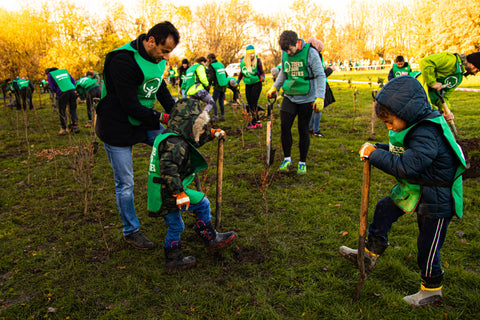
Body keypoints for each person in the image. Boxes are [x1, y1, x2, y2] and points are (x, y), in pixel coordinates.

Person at [339, 76, 467, 306]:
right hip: (419, 187)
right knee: (384, 209)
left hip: (438, 197)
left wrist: (374, 155)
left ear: (406, 112)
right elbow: (404, 151)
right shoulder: (414, 123)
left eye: (390, 122)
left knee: (427, 247)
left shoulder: (427, 131)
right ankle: (369, 255)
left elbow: (407, 166)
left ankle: (431, 291)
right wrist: (379, 148)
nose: (388, 127)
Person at [95, 21, 179, 250]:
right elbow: (130, 105)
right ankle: (131, 231)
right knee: (125, 182)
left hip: (143, 121)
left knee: (173, 148)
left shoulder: (156, 59)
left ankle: (172, 209)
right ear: (151, 40)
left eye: (169, 53)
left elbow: (158, 87)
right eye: (164, 51)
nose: (165, 57)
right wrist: (162, 118)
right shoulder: (123, 60)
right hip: (117, 125)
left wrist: (176, 111)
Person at [147, 98, 237, 274]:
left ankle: (174, 257)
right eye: (199, 126)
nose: (200, 130)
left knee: (176, 225)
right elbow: (169, 170)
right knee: (200, 205)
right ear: (189, 124)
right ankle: (209, 238)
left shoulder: (171, 136)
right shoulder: (175, 144)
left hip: (162, 190)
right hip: (169, 191)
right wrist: (180, 193)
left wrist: (211, 133)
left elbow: (193, 138)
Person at [266, 30, 326, 175]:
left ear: (296, 43)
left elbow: (320, 75)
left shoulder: (310, 53)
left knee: (303, 129)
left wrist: (320, 97)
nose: (288, 52)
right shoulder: (285, 53)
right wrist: (275, 87)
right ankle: (287, 159)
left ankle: (302, 162)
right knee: (285, 127)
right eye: (285, 50)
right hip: (289, 95)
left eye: (290, 49)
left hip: (307, 97)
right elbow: (284, 72)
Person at [417, 52, 480, 122]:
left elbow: (444, 95)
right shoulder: (450, 59)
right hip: (417, 93)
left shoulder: (459, 78)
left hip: (428, 104)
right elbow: (426, 61)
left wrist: (446, 111)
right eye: (476, 70)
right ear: (472, 64)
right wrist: (433, 83)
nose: (475, 74)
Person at [307, 38, 335, 138]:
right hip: (318, 84)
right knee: (317, 108)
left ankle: (310, 128)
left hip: (311, 85)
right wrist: (330, 70)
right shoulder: (315, 55)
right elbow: (321, 74)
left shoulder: (307, 54)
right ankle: (316, 130)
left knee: (313, 107)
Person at [236, 45, 265, 129]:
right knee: (250, 103)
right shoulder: (243, 61)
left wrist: (262, 77)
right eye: (250, 54)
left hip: (256, 83)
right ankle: (257, 121)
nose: (252, 55)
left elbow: (262, 71)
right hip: (248, 83)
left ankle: (253, 123)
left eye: (253, 53)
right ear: (247, 54)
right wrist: (238, 81)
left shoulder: (257, 60)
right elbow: (242, 72)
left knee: (253, 102)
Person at [46, 67, 79, 135]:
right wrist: (72, 88)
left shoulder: (50, 75)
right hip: (72, 90)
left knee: (62, 110)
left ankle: (64, 129)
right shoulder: (64, 71)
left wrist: (57, 92)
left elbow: (52, 86)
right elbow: (72, 80)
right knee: (73, 109)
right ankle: (75, 126)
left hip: (62, 92)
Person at [207, 53, 228, 121]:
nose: (208, 61)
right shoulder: (220, 64)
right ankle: (222, 115)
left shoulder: (211, 65)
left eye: (208, 59)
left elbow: (212, 76)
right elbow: (226, 74)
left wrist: (209, 85)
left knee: (213, 101)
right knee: (221, 100)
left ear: (210, 59)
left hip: (218, 85)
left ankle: (215, 116)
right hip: (224, 84)